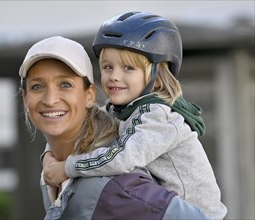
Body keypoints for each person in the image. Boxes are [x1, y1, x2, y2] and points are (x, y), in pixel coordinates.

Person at [42, 12, 227, 219]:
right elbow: (79, 127)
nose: (114, 76)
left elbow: (121, 158)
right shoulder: (122, 111)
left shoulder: (158, 117)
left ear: (157, 78)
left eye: (128, 68)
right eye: (107, 67)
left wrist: (67, 167)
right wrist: (50, 155)